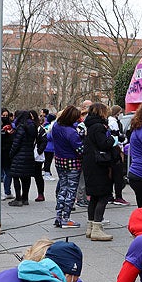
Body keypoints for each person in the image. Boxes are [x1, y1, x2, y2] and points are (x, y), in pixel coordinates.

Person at [80, 103, 115, 241]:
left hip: (89, 163)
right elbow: (104, 144)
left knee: (94, 197)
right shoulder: (99, 127)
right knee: (103, 195)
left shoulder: (89, 125)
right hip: (99, 165)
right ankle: (97, 228)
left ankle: (90, 226)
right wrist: (112, 139)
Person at [49, 106, 83, 228]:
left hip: (59, 160)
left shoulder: (56, 126)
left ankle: (58, 216)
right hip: (72, 162)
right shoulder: (71, 132)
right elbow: (80, 149)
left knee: (63, 188)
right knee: (71, 190)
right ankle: (66, 218)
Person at [7, 110, 37, 207]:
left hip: (19, 155)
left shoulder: (21, 127)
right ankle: (25, 198)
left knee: (16, 176)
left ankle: (18, 198)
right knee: (26, 178)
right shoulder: (33, 127)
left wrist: (11, 154)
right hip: (29, 155)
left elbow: (16, 143)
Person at [107, 104, 129, 205]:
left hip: (114, 150)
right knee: (118, 175)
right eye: (120, 113)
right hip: (115, 151)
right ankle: (118, 196)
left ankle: (111, 195)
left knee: (112, 175)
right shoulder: (113, 122)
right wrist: (123, 139)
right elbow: (116, 137)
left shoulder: (114, 121)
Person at [0, 108, 14, 200]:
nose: (5, 117)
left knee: (8, 172)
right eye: (3, 115)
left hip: (7, 153)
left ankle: (7, 191)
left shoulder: (10, 126)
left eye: (6, 116)